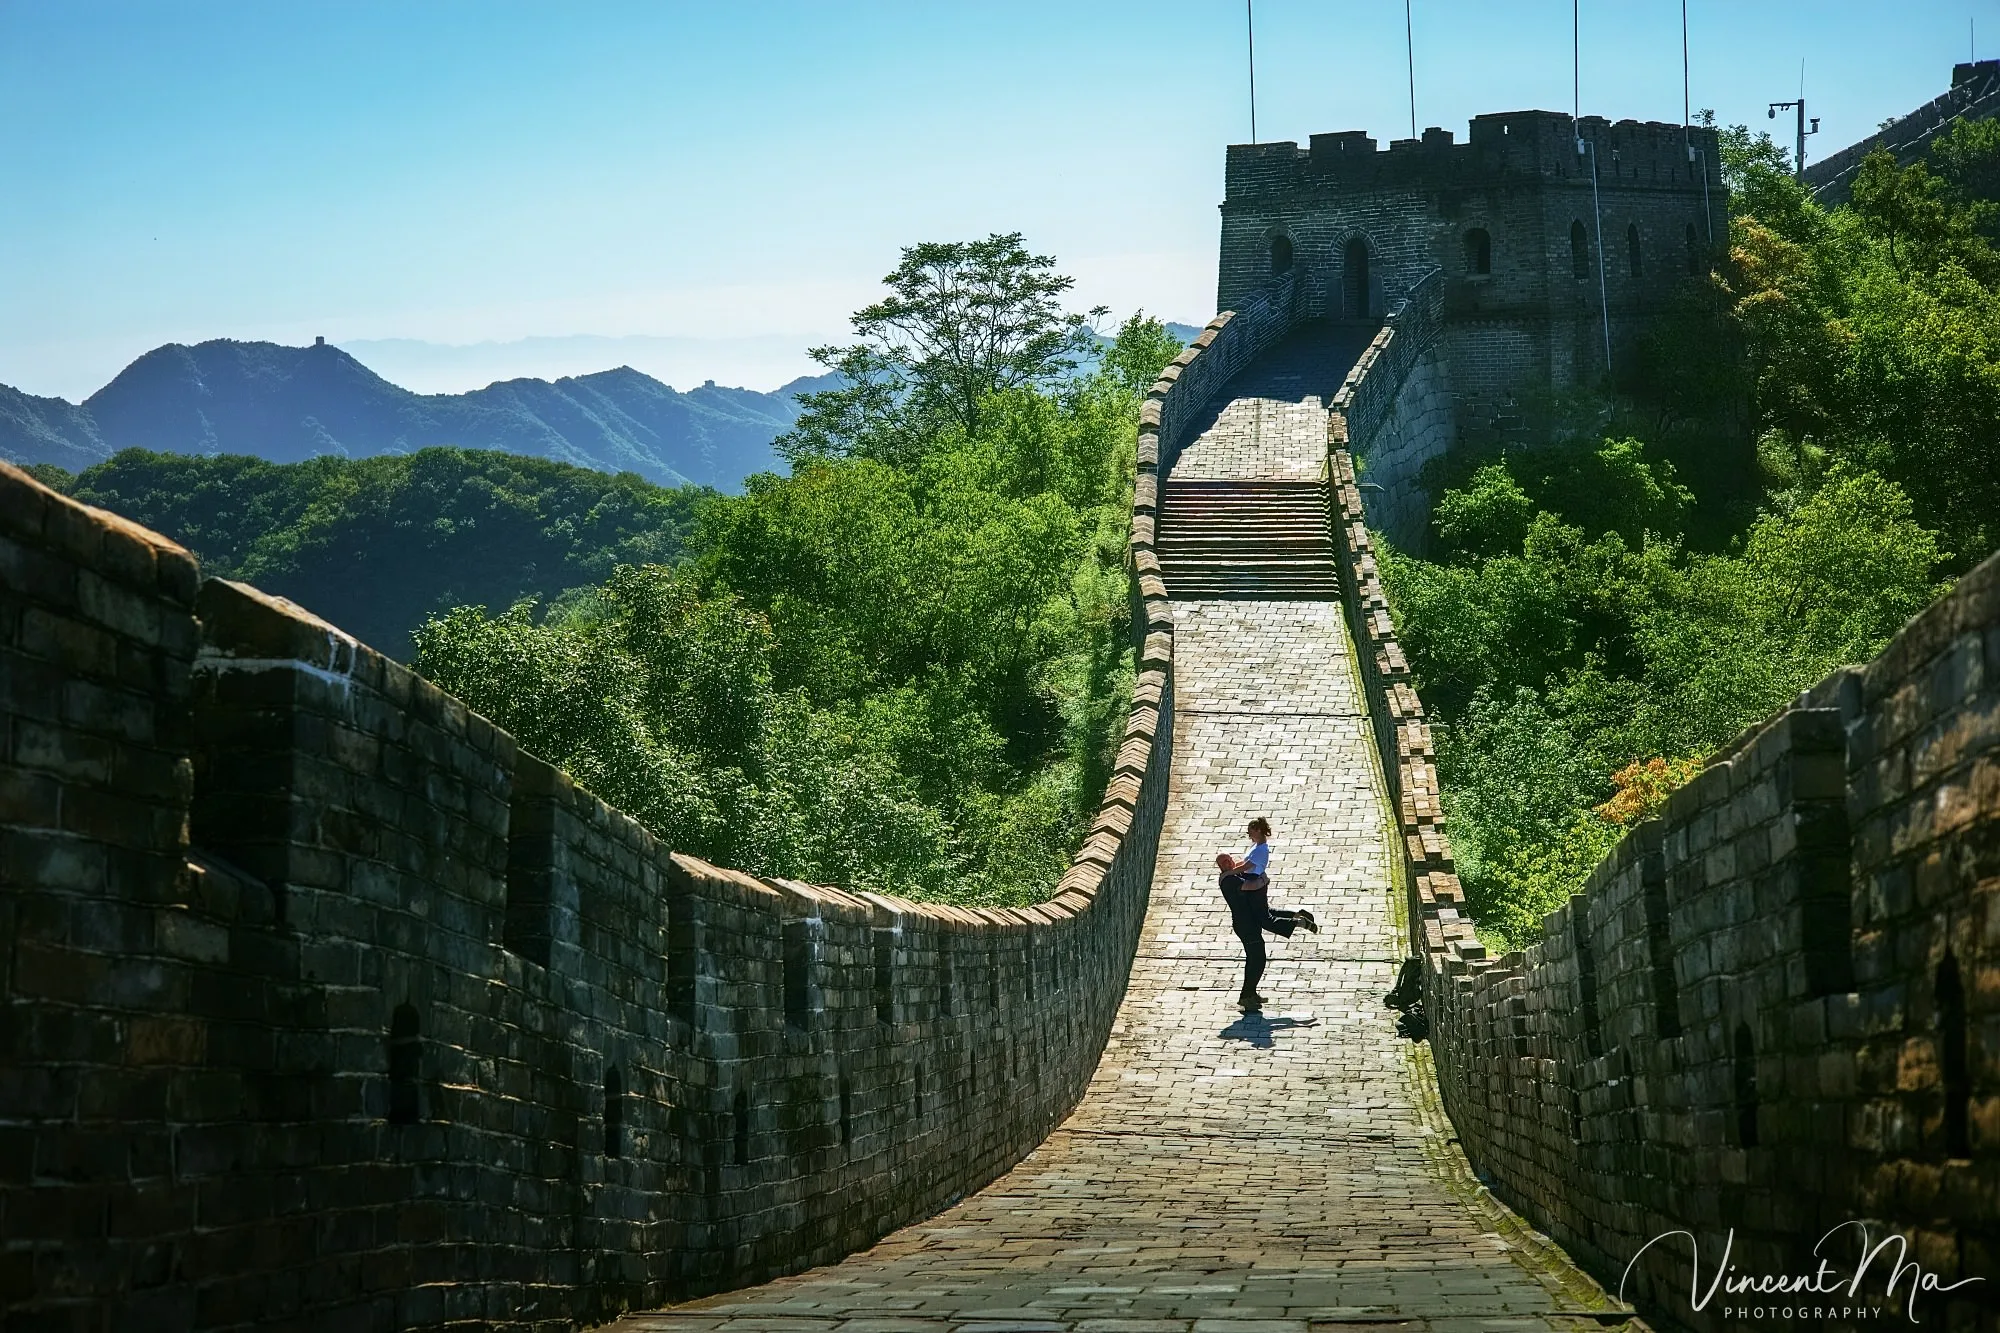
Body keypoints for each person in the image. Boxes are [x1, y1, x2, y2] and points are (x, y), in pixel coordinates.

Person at [1216, 817, 1316, 1010]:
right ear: (1220, 867)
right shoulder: (1229, 880)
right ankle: (1246, 996)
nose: (1229, 863)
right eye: (1224, 863)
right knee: (1256, 958)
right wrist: (1264, 881)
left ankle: (1250, 994)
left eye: (1229, 859)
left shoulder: (1235, 873)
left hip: (1251, 920)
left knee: (1266, 920)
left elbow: (1246, 868)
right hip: (1245, 925)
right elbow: (1250, 884)